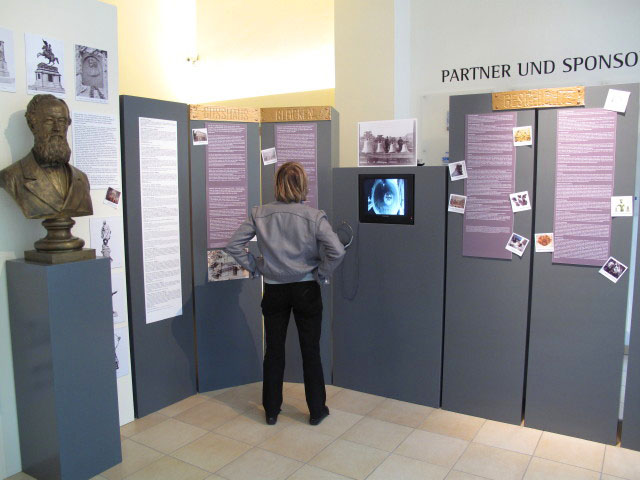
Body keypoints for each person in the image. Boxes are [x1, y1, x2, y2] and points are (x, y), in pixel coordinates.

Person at [225, 162, 345, 426]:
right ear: (303, 185)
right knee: (310, 350)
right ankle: (316, 411)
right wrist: (322, 273)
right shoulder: (314, 216)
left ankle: (271, 411)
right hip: (306, 289)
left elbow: (233, 245)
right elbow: (337, 250)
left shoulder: (260, 213)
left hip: (274, 290)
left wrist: (255, 267)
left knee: (274, 350)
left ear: (277, 184)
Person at [0, 94, 92, 219]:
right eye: (49, 121)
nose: (57, 128)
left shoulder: (81, 178)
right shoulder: (12, 176)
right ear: (32, 125)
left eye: (62, 121)